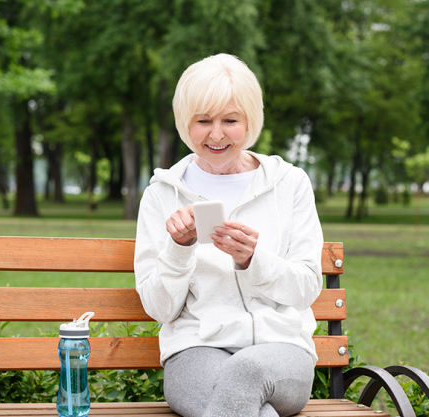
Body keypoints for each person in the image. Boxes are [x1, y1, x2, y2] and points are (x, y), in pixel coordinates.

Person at [134, 53, 324, 417]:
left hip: (281, 351)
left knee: (247, 371)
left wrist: (253, 260)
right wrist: (178, 250)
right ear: (184, 123)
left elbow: (305, 288)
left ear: (251, 121)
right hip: (195, 352)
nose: (216, 134)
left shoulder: (290, 184)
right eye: (203, 121)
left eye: (231, 120)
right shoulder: (162, 195)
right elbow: (159, 309)